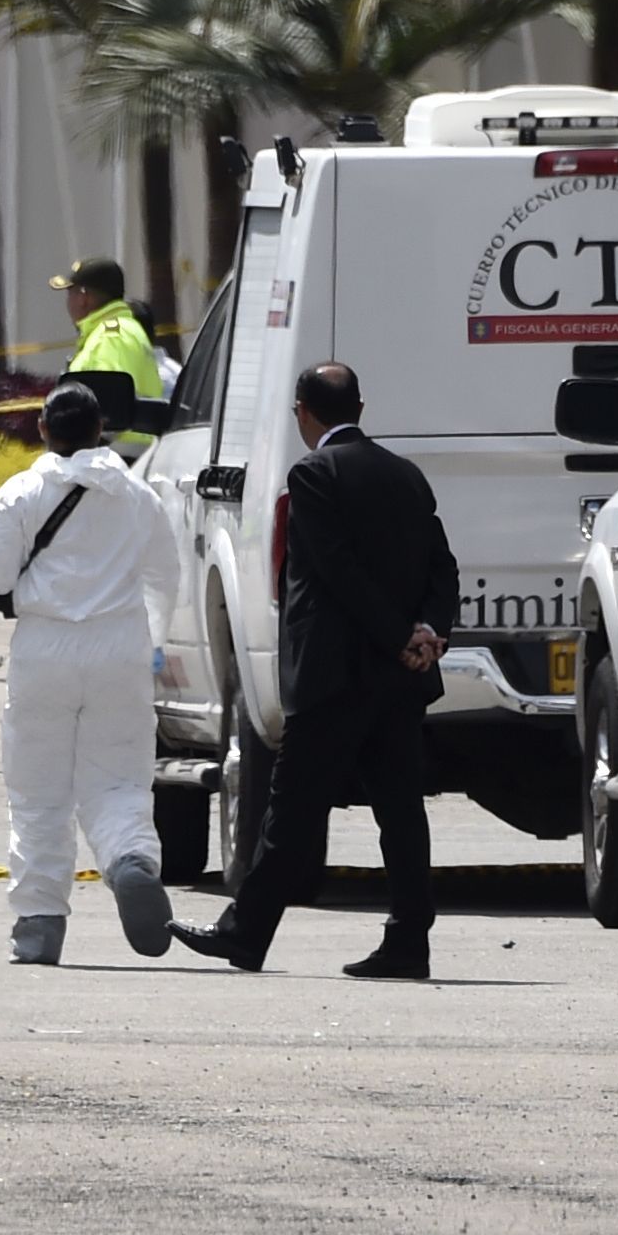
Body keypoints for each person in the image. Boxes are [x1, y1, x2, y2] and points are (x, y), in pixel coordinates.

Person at [186, 362, 458, 980]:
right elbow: (443, 567)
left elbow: (336, 573)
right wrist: (427, 635)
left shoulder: (312, 475)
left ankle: (246, 935)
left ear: (304, 411)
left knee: (291, 813)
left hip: (334, 678)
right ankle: (408, 942)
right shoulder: (405, 475)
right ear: (359, 407)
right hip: (397, 679)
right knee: (401, 815)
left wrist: (398, 636)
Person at [0, 380, 183, 963]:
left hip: (45, 650)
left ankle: (39, 922)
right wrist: (151, 643)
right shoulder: (138, 495)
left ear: (43, 430)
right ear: (101, 427)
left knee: (38, 792)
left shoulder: (21, 492)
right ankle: (129, 859)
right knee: (118, 780)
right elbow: (166, 574)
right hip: (120, 649)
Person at [61, 259, 161, 402]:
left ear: (83, 297)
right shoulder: (125, 329)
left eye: (70, 293)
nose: (68, 302)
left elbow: (109, 404)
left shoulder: (110, 337)